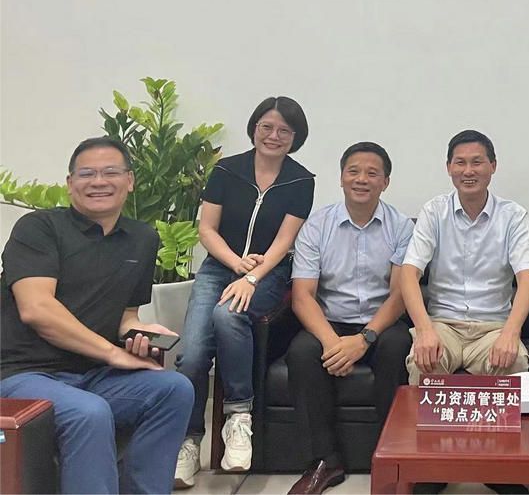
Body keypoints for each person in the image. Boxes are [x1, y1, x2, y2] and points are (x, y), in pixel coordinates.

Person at [0, 136, 194, 494]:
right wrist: (111, 353)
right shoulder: (39, 228)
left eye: (110, 172)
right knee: (89, 412)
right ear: (70, 183)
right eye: (87, 173)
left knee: (174, 389)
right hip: (25, 373)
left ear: (130, 180)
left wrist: (139, 333)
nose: (98, 181)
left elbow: (126, 316)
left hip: (94, 374)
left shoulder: (142, 238)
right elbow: (37, 309)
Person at [174, 97, 315, 486]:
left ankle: (239, 416)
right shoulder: (226, 170)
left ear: (296, 137)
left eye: (284, 130)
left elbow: (285, 241)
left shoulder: (301, 180)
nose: (274, 136)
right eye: (266, 127)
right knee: (192, 354)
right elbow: (207, 230)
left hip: (269, 272)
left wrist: (252, 276)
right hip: (220, 267)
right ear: (254, 128)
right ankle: (189, 440)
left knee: (229, 314)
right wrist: (237, 265)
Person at [401, 129, 529, 495]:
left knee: (513, 361)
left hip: (493, 327)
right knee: (423, 361)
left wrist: (510, 333)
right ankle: (432, 468)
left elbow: (527, 279)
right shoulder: (434, 211)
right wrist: (424, 330)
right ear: (448, 167)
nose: (468, 170)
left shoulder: (512, 215)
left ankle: (500, 469)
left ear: (493, 166)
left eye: (477, 162)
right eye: (460, 162)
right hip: (443, 324)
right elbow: (409, 274)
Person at [284, 142, 414, 494]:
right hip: (330, 322)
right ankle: (324, 462)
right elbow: (303, 296)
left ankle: (393, 457)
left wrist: (364, 339)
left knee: (398, 346)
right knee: (302, 352)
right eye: (353, 171)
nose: (361, 179)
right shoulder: (317, 225)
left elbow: (399, 295)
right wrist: (332, 343)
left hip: (381, 322)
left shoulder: (402, 227)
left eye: (372, 173)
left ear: (385, 182)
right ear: (341, 177)